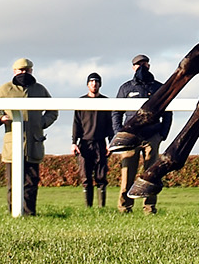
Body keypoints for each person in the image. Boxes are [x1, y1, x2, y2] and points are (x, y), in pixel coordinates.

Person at [0, 58, 58, 216]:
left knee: (31, 183)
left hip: (33, 144)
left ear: (31, 71)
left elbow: (53, 110)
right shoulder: (5, 89)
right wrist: (0, 118)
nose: (24, 73)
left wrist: (42, 123)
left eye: (27, 70)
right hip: (13, 146)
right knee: (13, 184)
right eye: (20, 71)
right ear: (14, 71)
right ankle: (14, 213)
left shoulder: (40, 90)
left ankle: (30, 214)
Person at [110, 54, 172, 214]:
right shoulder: (126, 88)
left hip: (152, 136)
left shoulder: (159, 87)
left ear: (149, 66)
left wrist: (162, 134)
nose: (142, 67)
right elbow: (116, 112)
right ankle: (124, 207)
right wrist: (119, 134)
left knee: (151, 173)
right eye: (138, 64)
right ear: (133, 68)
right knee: (127, 174)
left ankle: (149, 207)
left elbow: (168, 113)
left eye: (145, 64)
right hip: (130, 137)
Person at [71, 71, 113, 208]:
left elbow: (110, 124)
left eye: (96, 81)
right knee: (85, 177)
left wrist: (111, 143)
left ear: (100, 84)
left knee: (101, 177)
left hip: (100, 143)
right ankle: (87, 208)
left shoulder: (105, 102)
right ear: (87, 84)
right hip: (84, 143)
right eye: (91, 81)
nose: (94, 84)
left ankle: (102, 207)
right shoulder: (81, 102)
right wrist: (73, 142)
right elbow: (76, 123)